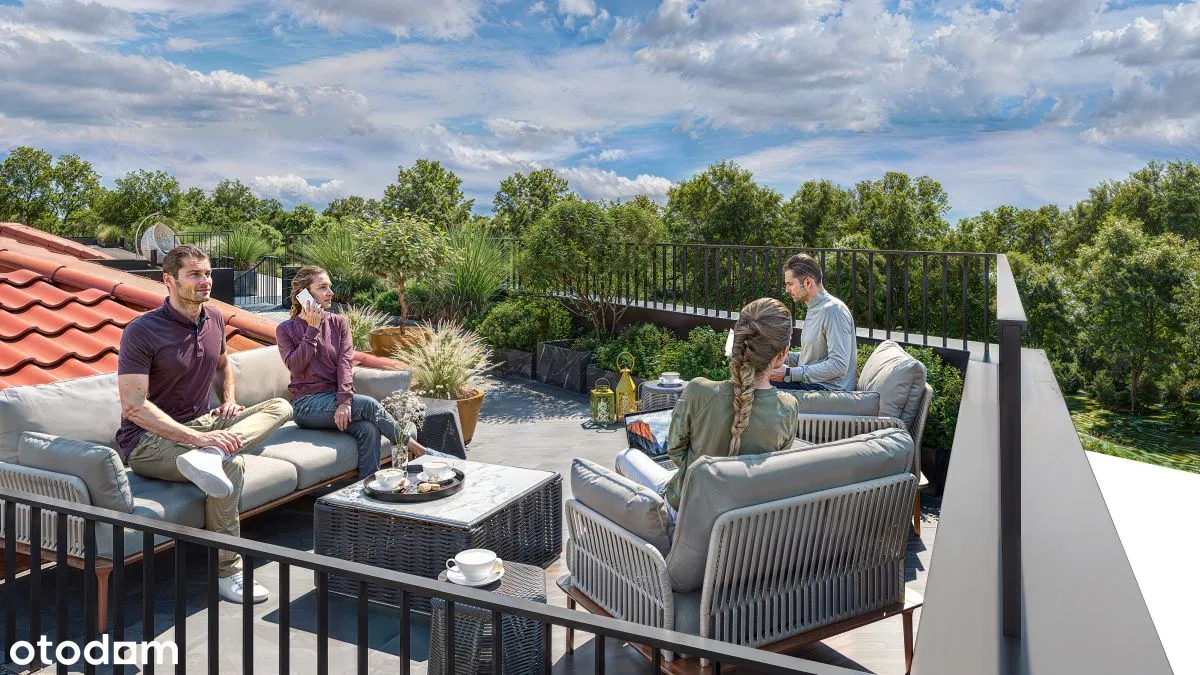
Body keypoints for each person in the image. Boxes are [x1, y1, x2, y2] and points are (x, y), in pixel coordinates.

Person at [117, 245, 292, 604]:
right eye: (194, 274)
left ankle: (210, 454)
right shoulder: (142, 331)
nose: (205, 281)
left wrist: (227, 401)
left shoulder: (213, 317)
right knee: (232, 464)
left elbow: (223, 365)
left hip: (203, 423)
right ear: (169, 280)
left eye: (208, 273)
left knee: (281, 406)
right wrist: (197, 440)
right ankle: (228, 572)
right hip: (148, 442)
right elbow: (134, 407)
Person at [615, 298, 800, 514]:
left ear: (737, 343)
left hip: (687, 510)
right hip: (743, 521)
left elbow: (674, 450)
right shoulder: (787, 408)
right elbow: (774, 471)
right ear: (782, 354)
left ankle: (646, 527)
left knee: (625, 456)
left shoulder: (698, 390)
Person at [276, 265, 434, 481]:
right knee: (369, 405)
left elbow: (345, 364)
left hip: (334, 399)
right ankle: (417, 449)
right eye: (322, 287)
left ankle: (369, 486)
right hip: (306, 405)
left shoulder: (339, 323)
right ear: (304, 294)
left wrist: (344, 401)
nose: (330, 293)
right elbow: (296, 366)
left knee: (368, 429)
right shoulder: (286, 329)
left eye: (329, 287)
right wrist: (312, 328)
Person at [771, 253, 856, 391]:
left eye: (790, 284)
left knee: (760, 385)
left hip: (829, 390)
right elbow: (813, 359)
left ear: (808, 282)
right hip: (813, 385)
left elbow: (839, 365)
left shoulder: (833, 311)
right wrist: (778, 357)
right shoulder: (814, 308)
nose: (787, 290)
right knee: (758, 376)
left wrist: (788, 373)